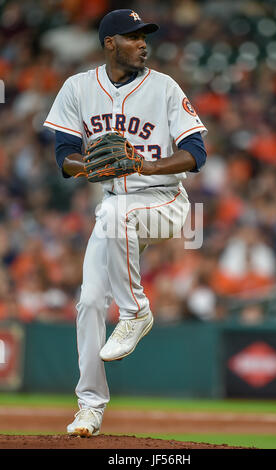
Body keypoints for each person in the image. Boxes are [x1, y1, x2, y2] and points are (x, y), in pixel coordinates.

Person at [43, 9, 208, 437]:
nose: (143, 43)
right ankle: (90, 407)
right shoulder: (78, 87)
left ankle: (136, 313)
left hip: (164, 201)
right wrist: (88, 168)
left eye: (144, 36)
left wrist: (145, 165)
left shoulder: (165, 87)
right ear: (110, 42)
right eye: (133, 37)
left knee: (119, 213)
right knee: (90, 302)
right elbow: (65, 155)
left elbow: (196, 152)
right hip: (115, 204)